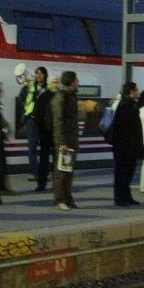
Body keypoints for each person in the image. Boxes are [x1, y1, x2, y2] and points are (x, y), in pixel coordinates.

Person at [109, 82, 142, 206]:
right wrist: (132, 142)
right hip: (124, 146)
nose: (138, 92)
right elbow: (125, 128)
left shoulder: (131, 104)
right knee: (122, 172)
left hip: (129, 145)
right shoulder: (125, 105)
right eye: (137, 89)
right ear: (131, 91)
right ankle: (120, 198)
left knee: (128, 172)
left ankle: (126, 196)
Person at [52, 71, 80, 211]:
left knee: (68, 171)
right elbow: (58, 121)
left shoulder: (71, 96)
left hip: (71, 139)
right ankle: (60, 199)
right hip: (64, 140)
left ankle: (68, 198)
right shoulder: (61, 98)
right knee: (61, 171)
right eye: (76, 80)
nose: (78, 82)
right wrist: (61, 142)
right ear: (71, 82)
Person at [18, 67, 48, 183]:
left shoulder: (48, 87)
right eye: (37, 73)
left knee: (45, 148)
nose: (39, 75)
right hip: (32, 120)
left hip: (44, 121)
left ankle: (43, 172)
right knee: (32, 147)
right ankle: (33, 172)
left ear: (45, 75)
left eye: (41, 73)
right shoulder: (29, 86)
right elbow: (21, 98)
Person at [33, 76, 58, 192]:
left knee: (57, 161)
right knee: (44, 160)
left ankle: (56, 184)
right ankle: (41, 183)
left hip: (56, 134)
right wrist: (41, 129)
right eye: (54, 82)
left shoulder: (58, 96)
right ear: (50, 83)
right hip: (46, 133)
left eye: (57, 82)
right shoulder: (43, 96)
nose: (56, 84)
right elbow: (37, 115)